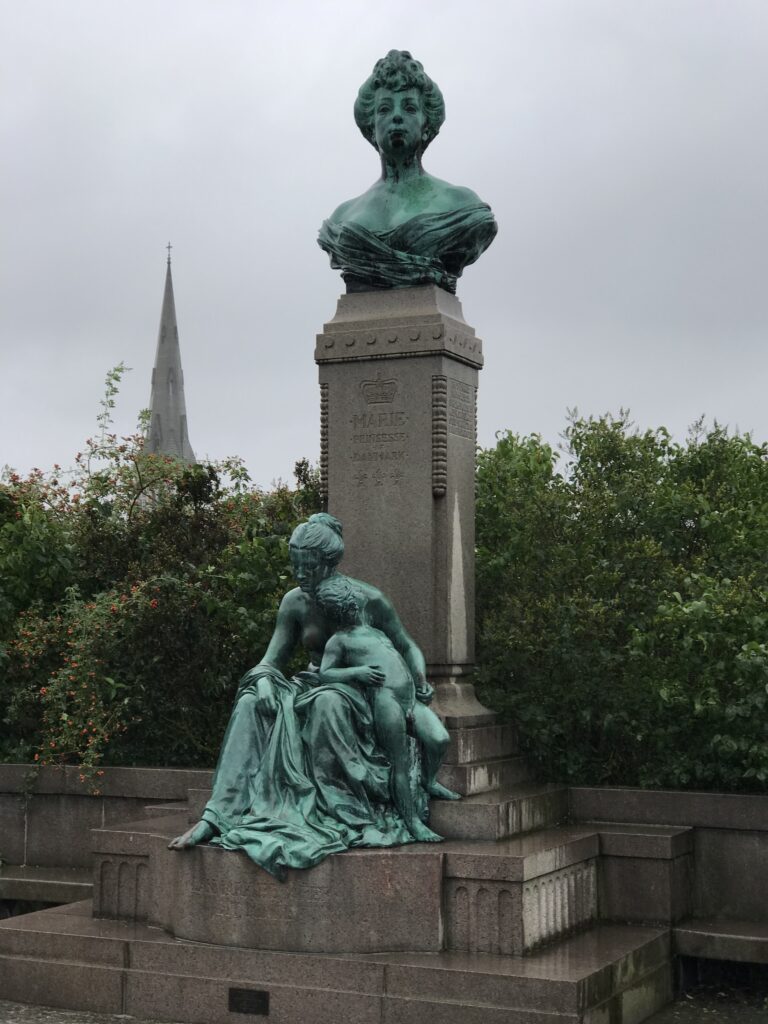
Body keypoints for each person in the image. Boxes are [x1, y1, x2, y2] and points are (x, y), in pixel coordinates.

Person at [168, 513, 456, 877]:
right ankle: (217, 815)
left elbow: (405, 644)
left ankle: (342, 810)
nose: (300, 574)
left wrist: (418, 678)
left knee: (327, 702)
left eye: (308, 566)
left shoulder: (368, 599)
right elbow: (270, 661)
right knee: (251, 702)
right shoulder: (294, 602)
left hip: (361, 693)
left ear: (329, 561)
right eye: (295, 565)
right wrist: (266, 680)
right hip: (314, 682)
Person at [318, 50, 497, 293]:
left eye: (409, 108)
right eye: (385, 109)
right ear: (371, 127)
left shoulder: (461, 204)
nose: (397, 116)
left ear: (426, 125)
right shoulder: (342, 217)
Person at [316, 574, 449, 843]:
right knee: (399, 764)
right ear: (345, 609)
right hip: (385, 701)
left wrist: (421, 681)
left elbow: (405, 649)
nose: (359, 601)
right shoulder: (339, 640)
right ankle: (413, 822)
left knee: (439, 739)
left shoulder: (376, 630)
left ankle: (429, 780)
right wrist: (357, 672)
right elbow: (325, 673)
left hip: (408, 697)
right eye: (353, 601)